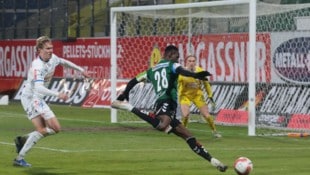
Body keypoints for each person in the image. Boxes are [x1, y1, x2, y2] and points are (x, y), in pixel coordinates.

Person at [111, 45, 228, 172]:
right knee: (162, 125)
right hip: (165, 101)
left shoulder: (151, 70)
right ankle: (129, 107)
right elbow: (183, 71)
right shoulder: (172, 65)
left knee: (188, 136)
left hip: (168, 106)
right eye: (177, 57)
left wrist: (124, 94)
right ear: (170, 54)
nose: (178, 60)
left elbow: (133, 81)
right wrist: (196, 75)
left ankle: (213, 161)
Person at [13, 36, 91, 167]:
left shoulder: (52, 58)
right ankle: (21, 148)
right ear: (39, 50)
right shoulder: (38, 66)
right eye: (47, 48)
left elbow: (64, 62)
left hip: (36, 98)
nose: (50, 51)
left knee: (42, 130)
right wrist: (58, 94)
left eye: (51, 48)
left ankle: (21, 149)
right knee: (55, 128)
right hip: (32, 98)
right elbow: (39, 88)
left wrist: (81, 70)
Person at [178, 55, 221, 138]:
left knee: (207, 115)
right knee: (186, 115)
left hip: (197, 95)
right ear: (186, 62)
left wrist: (210, 96)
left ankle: (214, 131)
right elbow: (178, 84)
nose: (191, 63)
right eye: (189, 61)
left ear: (195, 62)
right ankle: (184, 130)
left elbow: (206, 85)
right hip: (185, 96)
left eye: (193, 61)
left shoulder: (200, 71)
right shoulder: (182, 73)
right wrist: (178, 95)